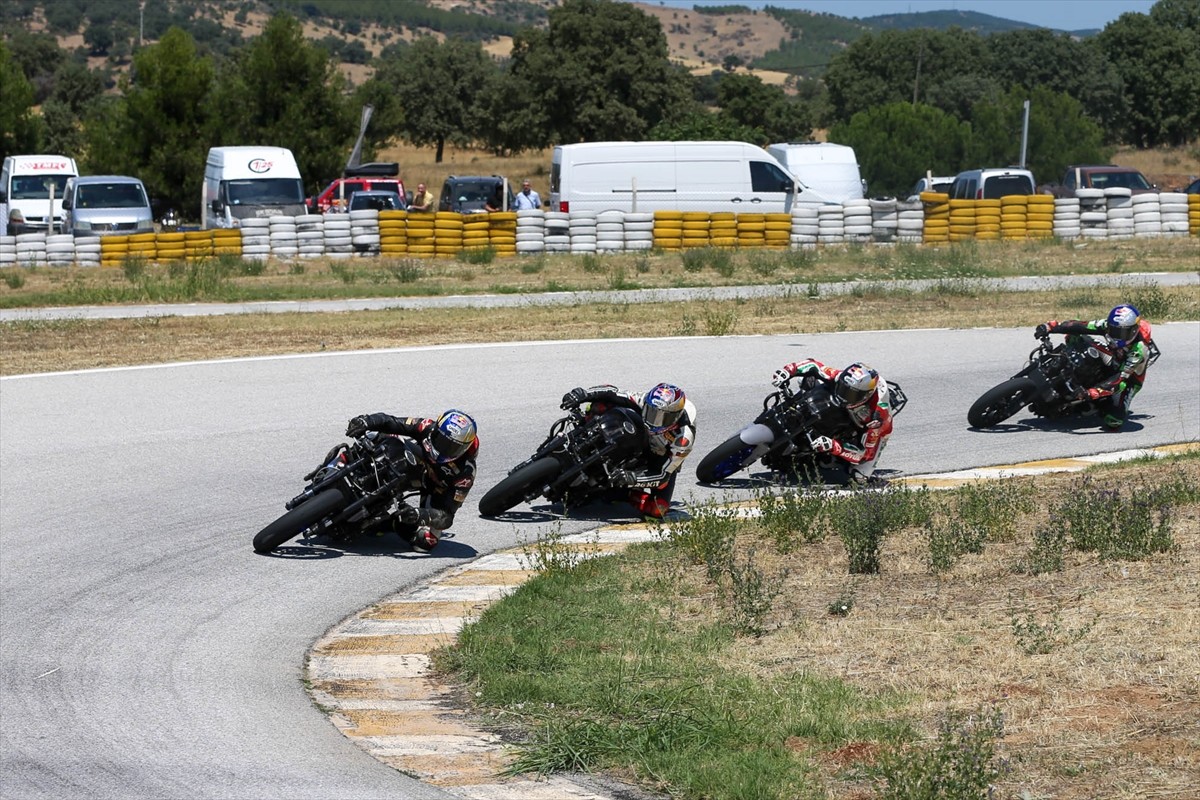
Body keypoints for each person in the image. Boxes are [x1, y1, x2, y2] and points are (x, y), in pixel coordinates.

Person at [330, 409, 479, 551]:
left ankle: (387, 523)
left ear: (465, 449)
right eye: (441, 440)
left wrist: (420, 515)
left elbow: (447, 516)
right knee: (374, 435)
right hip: (414, 457)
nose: (443, 449)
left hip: (432, 486)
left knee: (426, 542)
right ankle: (338, 464)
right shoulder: (427, 426)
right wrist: (366, 421)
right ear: (436, 431)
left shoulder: (465, 474)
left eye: (452, 447)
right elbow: (392, 421)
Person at [559, 383, 695, 519]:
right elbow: (613, 392)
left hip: (659, 456)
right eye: (651, 412)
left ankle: (622, 494)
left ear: (675, 417)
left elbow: (662, 475)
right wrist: (583, 394)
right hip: (638, 433)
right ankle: (584, 427)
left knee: (658, 509)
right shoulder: (645, 400)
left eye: (661, 418)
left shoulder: (683, 438)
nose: (654, 421)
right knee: (603, 403)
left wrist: (632, 478)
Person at [1034, 304, 1157, 431]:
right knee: (1074, 335)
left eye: (1122, 333)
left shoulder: (1139, 350)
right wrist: (1051, 326)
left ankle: (1095, 404)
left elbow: (1120, 378)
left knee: (1114, 420)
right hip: (1113, 357)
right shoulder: (1107, 325)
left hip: (1129, 378)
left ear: (1134, 331)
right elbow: (1082, 325)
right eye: (1114, 331)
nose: (1117, 336)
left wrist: (1093, 392)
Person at [770, 359, 895, 484]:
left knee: (860, 477)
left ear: (865, 396)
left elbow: (865, 454)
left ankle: (834, 459)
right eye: (842, 388)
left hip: (871, 430)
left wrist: (834, 446)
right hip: (843, 405)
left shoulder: (876, 418)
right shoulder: (840, 377)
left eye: (849, 394)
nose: (843, 396)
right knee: (806, 379)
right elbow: (813, 365)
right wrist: (788, 370)